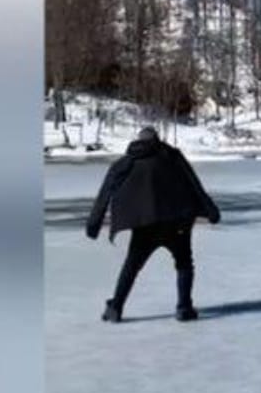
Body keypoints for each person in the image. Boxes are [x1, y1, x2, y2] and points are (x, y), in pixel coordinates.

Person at [85, 126, 221, 323]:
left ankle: (115, 308)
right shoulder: (172, 156)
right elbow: (193, 183)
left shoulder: (126, 163)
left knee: (131, 266)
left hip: (145, 224)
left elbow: (105, 192)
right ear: (157, 140)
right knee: (184, 264)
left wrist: (93, 224)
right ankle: (184, 307)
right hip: (177, 222)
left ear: (138, 141)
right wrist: (211, 211)